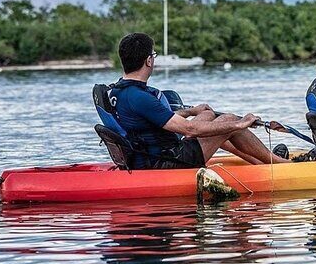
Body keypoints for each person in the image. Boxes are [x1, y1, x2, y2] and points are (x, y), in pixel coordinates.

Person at [107, 33, 289, 170]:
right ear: (148, 61)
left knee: (208, 115)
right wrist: (241, 123)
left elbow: (151, 118)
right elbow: (190, 129)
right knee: (228, 121)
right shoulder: (139, 97)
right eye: (153, 55)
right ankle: (281, 164)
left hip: (154, 154)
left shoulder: (120, 90)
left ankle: (261, 162)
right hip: (167, 161)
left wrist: (190, 111)